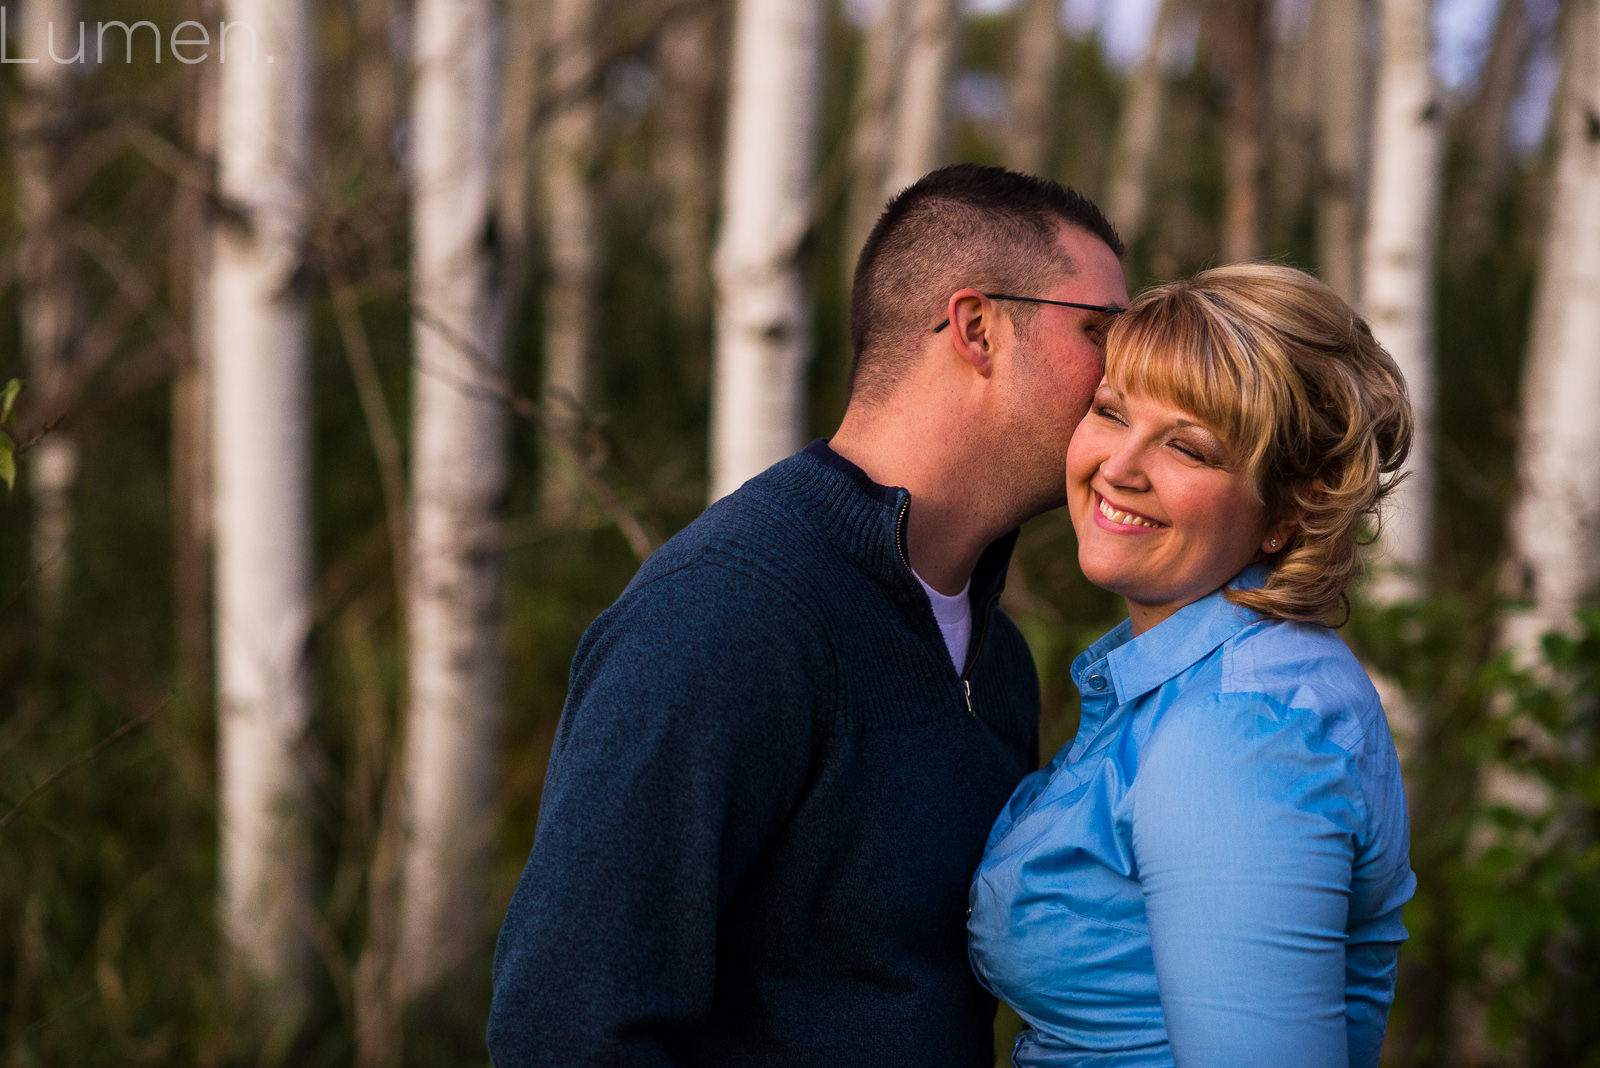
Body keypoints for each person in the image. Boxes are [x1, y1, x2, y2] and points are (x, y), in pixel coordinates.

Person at [487, 163, 1128, 1067]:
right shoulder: (728, 614)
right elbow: (566, 1028)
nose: (1122, 380)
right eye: (1099, 331)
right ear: (978, 326)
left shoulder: (1002, 662)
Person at [968, 262, 1417, 1068]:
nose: (1120, 466)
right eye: (1111, 412)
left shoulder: (1242, 736)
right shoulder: (1198, 678)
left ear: (1285, 512)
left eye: (1189, 447)